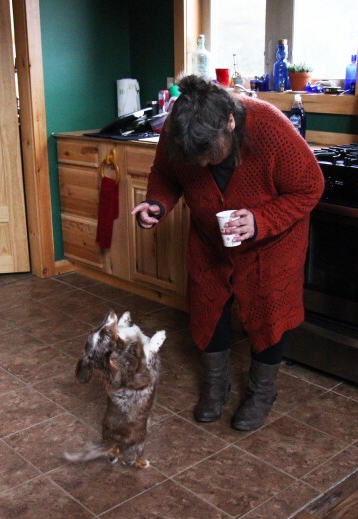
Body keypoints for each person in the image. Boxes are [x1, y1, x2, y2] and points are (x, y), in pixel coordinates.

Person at [131, 75, 324, 431]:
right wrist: (157, 205)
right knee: (208, 306)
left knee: (268, 311)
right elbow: (165, 174)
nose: (202, 166)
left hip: (272, 244)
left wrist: (259, 220)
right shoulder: (177, 128)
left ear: (230, 123)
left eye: (208, 155)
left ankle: (262, 392)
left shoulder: (269, 127)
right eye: (195, 159)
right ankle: (216, 385)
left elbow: (310, 188)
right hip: (209, 240)